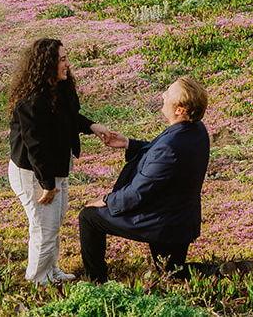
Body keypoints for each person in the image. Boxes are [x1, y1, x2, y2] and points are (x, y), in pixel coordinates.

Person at [79, 76, 210, 282]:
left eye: (168, 93)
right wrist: (129, 143)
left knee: (89, 217)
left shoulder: (170, 146)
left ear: (180, 110)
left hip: (161, 221)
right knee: (173, 273)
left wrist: (106, 200)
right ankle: (227, 270)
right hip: (180, 219)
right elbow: (163, 158)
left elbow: (137, 193)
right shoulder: (197, 130)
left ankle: (97, 283)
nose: (163, 95)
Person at [8, 37, 117, 285]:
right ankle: (38, 279)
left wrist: (92, 126)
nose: (67, 64)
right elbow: (35, 147)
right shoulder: (31, 101)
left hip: (56, 167)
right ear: (47, 65)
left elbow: (71, 117)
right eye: (62, 59)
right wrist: (47, 184)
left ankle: (51, 269)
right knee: (44, 227)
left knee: (53, 223)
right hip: (34, 173)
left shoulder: (61, 88)